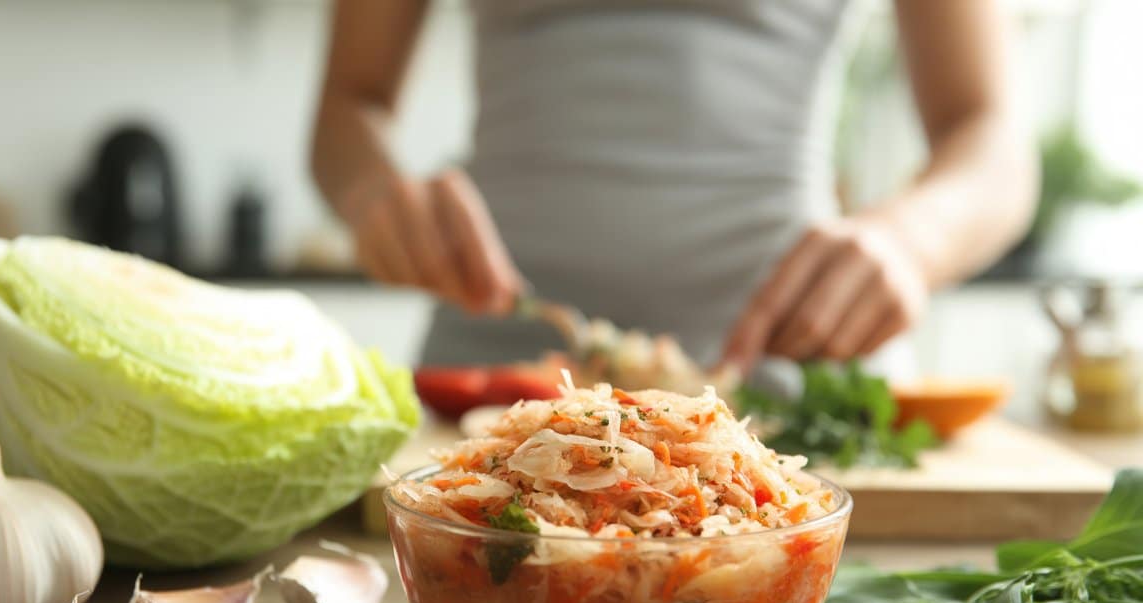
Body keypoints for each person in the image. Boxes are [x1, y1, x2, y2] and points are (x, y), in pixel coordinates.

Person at [311, 1, 1037, 377]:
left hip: (786, 384)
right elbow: (348, 108)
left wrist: (910, 241)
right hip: (489, 376)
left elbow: (994, 141)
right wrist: (375, 195)